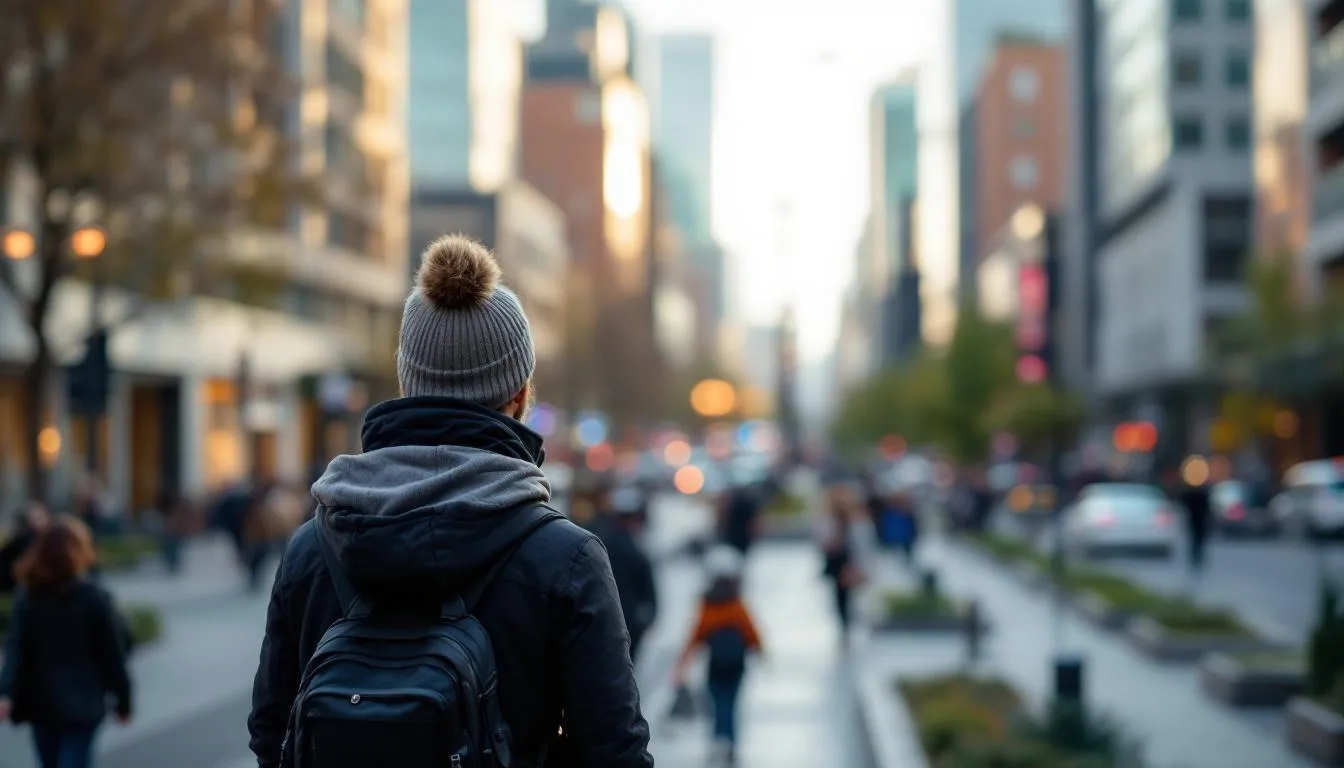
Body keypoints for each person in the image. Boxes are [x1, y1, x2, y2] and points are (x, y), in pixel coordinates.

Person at [248, 235, 653, 767]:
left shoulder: (313, 547)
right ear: (520, 395)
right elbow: (615, 752)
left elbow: (270, 735)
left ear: (406, 380)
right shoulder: (568, 559)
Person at [0, 515, 132, 768]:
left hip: (42, 701)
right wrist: (124, 700)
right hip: (83, 701)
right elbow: (113, 654)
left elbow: (15, 648)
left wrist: (6, 692)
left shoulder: (29, 597)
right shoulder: (94, 597)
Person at [672, 546, 762, 767]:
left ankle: (717, 739)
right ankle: (730, 740)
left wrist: (683, 663)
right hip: (736, 664)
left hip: (715, 665)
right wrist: (760, 650)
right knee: (731, 702)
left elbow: (695, 635)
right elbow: (751, 632)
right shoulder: (736, 605)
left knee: (717, 701)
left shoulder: (707, 606)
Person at [595, 486, 659, 662]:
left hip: (601, 621)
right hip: (627, 623)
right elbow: (648, 589)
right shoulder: (635, 549)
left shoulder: (599, 544)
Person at [816, 484, 873, 643]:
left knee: (850, 596)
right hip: (836, 561)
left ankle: (849, 624)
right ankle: (844, 625)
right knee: (840, 596)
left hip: (850, 561)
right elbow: (824, 543)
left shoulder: (857, 521)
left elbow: (863, 545)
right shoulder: (828, 520)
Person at [0, 502, 51, 595]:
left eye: (39, 519)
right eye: (32, 520)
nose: (36, 523)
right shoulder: (20, 541)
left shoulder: (54, 541)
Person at [1177, 477, 1213, 574]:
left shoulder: (1190, 494)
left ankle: (1195, 557)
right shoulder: (1203, 494)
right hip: (1200, 521)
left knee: (1194, 541)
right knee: (1199, 540)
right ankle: (1197, 557)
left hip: (1195, 520)